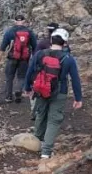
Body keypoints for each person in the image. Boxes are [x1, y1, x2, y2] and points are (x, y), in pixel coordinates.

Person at [24, 28, 83, 159]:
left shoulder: (40, 54)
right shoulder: (68, 59)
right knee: (54, 120)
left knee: (41, 114)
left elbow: (30, 71)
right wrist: (78, 98)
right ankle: (46, 152)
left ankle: (36, 141)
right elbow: (75, 79)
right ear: (65, 43)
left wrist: (27, 88)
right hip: (59, 92)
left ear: (51, 40)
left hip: (41, 89)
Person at [0, 14, 37, 103]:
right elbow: (35, 46)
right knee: (21, 76)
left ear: (15, 21)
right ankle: (18, 91)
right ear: (24, 21)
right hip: (24, 59)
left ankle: (8, 97)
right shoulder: (29, 32)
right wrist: (34, 58)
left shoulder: (9, 31)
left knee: (9, 77)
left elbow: (3, 45)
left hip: (12, 57)